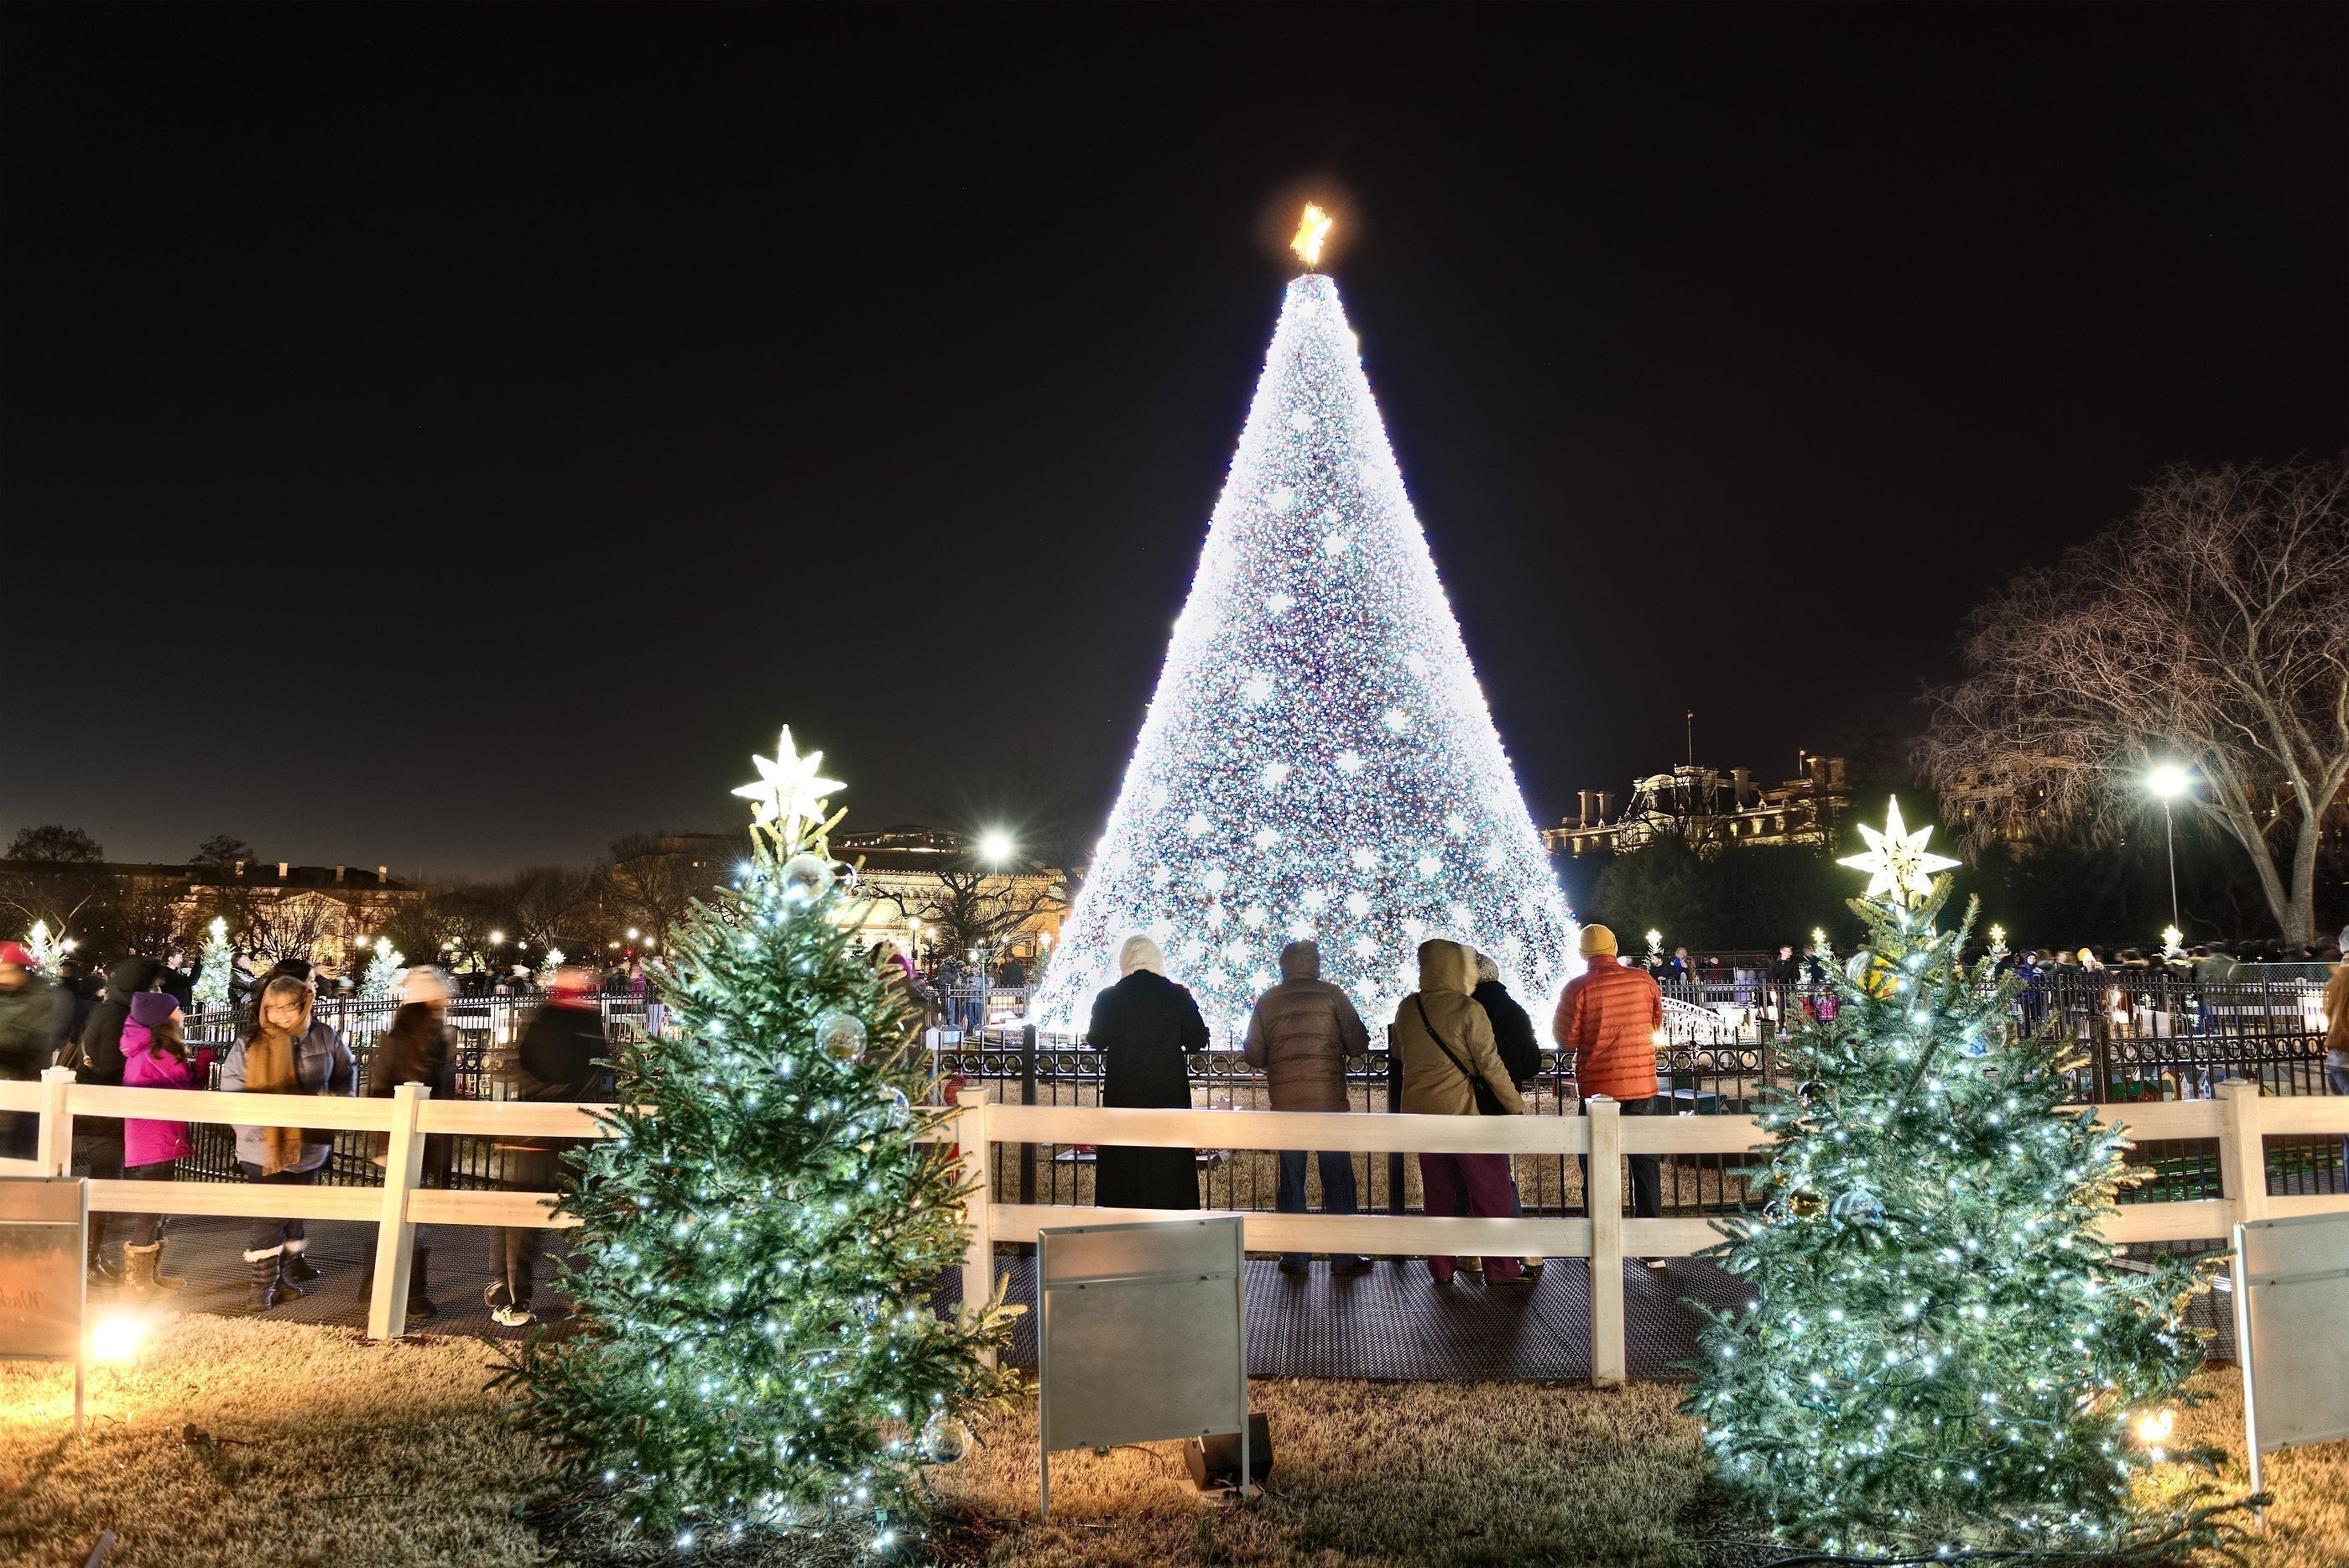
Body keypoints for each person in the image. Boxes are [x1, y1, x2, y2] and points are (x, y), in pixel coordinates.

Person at [221, 975, 358, 1309]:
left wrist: (336, 1100)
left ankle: (281, 1278)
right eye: (273, 1008)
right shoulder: (248, 1044)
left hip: (310, 1143)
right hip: (262, 1144)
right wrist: (257, 1125)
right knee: (270, 1215)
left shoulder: (325, 1036)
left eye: (289, 1007)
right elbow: (232, 1091)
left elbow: (346, 1072)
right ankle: (261, 1289)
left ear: (305, 1003)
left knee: (292, 1211)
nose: (281, 1014)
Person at [1392, 938, 1524, 1284]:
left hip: (1422, 1116)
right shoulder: (1468, 1009)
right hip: (1466, 1116)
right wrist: (1514, 1106)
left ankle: (1441, 1267)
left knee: (1439, 1195)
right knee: (1490, 1192)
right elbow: (1490, 1065)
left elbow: (1398, 1052)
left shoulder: (1409, 1007)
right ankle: (1501, 1269)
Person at [487, 965, 610, 1327]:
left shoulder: (542, 1019)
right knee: (582, 1215)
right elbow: (601, 1070)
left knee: (523, 1216)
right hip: (574, 1134)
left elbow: (524, 1065)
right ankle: (591, 1293)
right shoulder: (586, 1022)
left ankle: (512, 1292)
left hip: (540, 1134)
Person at [1242, 940, 1370, 1276]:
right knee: (1338, 1177)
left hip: (1286, 1103)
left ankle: (1296, 1256)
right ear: (1315, 964)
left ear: (1283, 965)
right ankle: (1344, 1257)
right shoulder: (1332, 995)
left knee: (1292, 1179)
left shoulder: (1268, 1000)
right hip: (1328, 1101)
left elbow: (1255, 1053)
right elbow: (1357, 1043)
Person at [1552, 925, 1666, 1263]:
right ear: (1614, 947)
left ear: (1582, 953)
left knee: (1597, 1167)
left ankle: (1599, 1246)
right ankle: (1650, 1248)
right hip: (1642, 1086)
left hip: (1598, 1092)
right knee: (1645, 1166)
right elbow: (1656, 1025)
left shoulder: (1577, 988)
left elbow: (1566, 1040)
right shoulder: (1644, 980)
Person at [362, 966, 460, 1321]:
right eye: (440, 993)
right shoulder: (417, 1036)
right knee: (411, 1217)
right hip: (409, 1137)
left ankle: (379, 1286)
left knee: (405, 1214)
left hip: (414, 1136)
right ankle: (411, 1295)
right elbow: (388, 1086)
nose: (446, 999)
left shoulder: (420, 1033)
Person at [1088, 935, 1206, 1212]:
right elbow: (1197, 1038)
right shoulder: (1177, 995)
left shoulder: (1109, 997)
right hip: (1168, 1091)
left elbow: (1096, 1038)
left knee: (1123, 1160)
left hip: (1124, 1092)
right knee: (1169, 1160)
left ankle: (1123, 1221)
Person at [69, 956, 167, 1283]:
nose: (157, 990)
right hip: (105, 1118)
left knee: (105, 1186)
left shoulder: (108, 1010)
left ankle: (92, 1257)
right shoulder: (118, 1018)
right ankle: (87, 1261)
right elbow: (112, 1067)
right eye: (153, 985)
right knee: (103, 1189)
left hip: (104, 1116)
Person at [117, 992, 216, 1297]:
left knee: (159, 1206)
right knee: (152, 1209)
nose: (183, 1016)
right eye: (178, 1012)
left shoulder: (147, 1050)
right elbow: (184, 1092)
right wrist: (201, 1065)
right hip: (156, 1140)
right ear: (165, 1020)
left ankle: (151, 1275)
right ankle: (138, 1281)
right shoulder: (157, 1054)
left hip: (154, 1138)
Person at [1471, 948, 1544, 1276]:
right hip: (1500, 1099)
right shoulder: (1514, 1010)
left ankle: (1476, 1252)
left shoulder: (1467, 1009)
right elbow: (1531, 1062)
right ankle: (1522, 1249)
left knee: (1469, 1176)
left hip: (1468, 1099)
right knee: (1499, 1173)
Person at [0, 940, 75, 1161]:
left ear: (21, 970)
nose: (2, 977)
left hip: (26, 1083)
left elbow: (43, 1038)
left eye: (6, 972)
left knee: (22, 1153)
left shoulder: (47, 997)